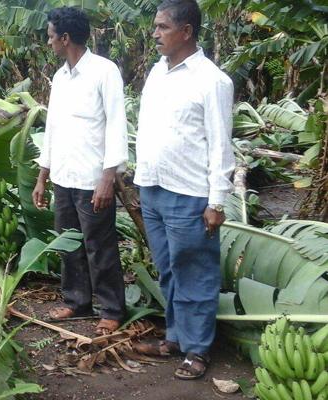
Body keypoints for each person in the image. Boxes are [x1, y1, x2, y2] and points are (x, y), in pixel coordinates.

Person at [132, 0, 235, 380]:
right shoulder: (157, 73)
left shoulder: (212, 81)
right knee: (170, 271)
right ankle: (176, 337)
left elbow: (221, 145)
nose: (155, 33)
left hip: (189, 193)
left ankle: (197, 350)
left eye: (162, 27)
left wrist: (217, 201)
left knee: (195, 272)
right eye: (155, 27)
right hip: (154, 187)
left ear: (186, 31)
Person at [32, 7, 129, 335]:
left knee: (99, 246)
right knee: (68, 243)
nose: (49, 42)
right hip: (63, 175)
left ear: (65, 38)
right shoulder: (59, 77)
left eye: (50, 36)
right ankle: (77, 301)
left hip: (92, 179)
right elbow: (53, 129)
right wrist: (43, 176)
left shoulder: (104, 71)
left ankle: (112, 308)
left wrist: (107, 177)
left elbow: (117, 124)